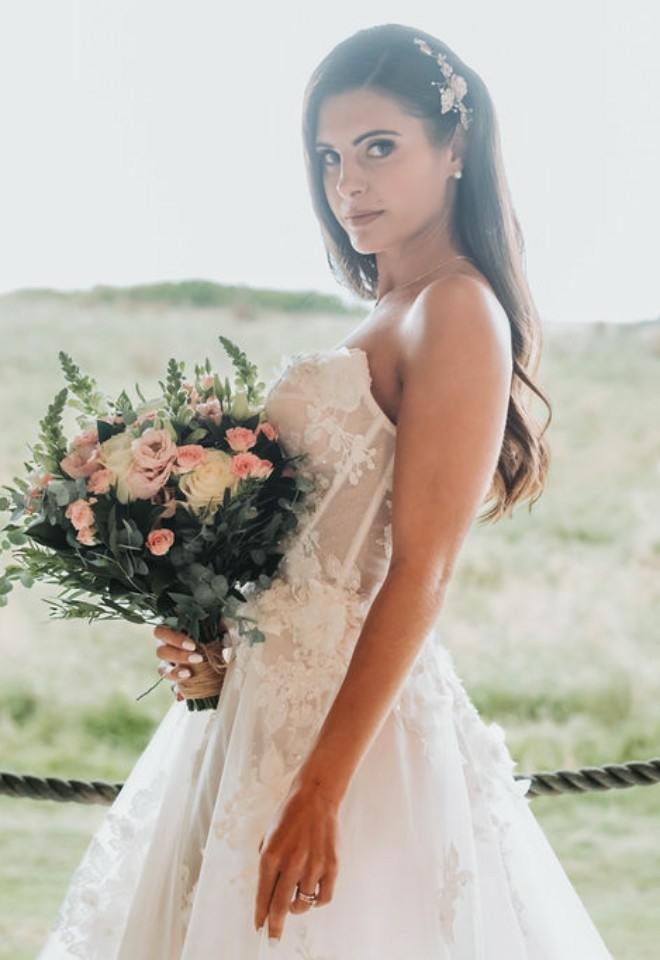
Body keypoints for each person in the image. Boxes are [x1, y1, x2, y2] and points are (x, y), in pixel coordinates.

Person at [40, 23, 615, 959]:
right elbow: (305, 538)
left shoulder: (459, 309)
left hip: (352, 736)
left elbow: (422, 570)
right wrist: (216, 626)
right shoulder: (389, 311)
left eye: (379, 149)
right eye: (330, 157)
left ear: (455, 147)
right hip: (258, 709)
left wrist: (319, 788)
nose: (348, 183)